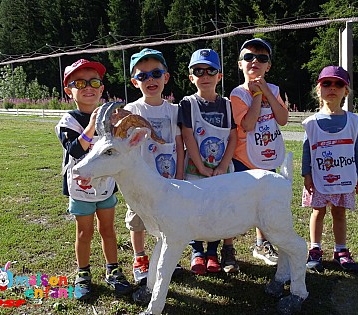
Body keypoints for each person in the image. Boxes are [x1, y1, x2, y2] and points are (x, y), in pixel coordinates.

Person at [55, 59, 131, 300]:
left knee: (108, 230)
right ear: (69, 91)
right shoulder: (67, 122)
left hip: (106, 187)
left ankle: (113, 270)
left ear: (101, 88)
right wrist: (91, 126)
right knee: (83, 233)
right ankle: (83, 274)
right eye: (80, 83)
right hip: (79, 189)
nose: (88, 87)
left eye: (94, 82)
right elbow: (75, 151)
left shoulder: (110, 119)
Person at [124, 48, 184, 285]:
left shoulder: (174, 110)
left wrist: (179, 175)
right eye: (143, 76)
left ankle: (169, 256)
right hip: (139, 180)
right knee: (137, 219)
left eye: (156, 74)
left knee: (168, 219)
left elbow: (179, 143)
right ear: (134, 81)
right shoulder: (132, 110)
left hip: (168, 177)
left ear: (166, 78)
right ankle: (140, 258)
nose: (151, 80)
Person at [178, 48, 239, 274]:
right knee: (195, 209)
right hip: (196, 168)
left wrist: (223, 165)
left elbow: (233, 136)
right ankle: (197, 251)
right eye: (198, 70)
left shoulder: (227, 105)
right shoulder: (187, 104)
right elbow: (187, 135)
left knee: (218, 209)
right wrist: (201, 166)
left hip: (221, 170)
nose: (205, 75)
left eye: (210, 70)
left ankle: (213, 252)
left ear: (219, 76)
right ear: (191, 76)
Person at [230, 38, 288, 266]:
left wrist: (266, 93)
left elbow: (282, 119)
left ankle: (262, 244)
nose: (255, 61)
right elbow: (248, 124)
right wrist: (255, 95)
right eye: (249, 57)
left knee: (265, 203)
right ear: (240, 64)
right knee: (237, 203)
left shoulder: (274, 90)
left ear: (268, 66)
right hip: (243, 159)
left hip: (266, 156)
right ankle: (229, 248)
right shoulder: (237, 94)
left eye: (262, 58)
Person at [302, 66, 358, 273]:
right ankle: (315, 250)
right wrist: (306, 174)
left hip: (345, 177)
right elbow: (306, 151)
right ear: (318, 89)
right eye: (326, 83)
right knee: (318, 212)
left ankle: (340, 251)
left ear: (346, 91)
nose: (332, 88)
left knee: (339, 212)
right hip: (319, 178)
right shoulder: (311, 123)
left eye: (339, 84)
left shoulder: (353, 121)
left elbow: (357, 149)